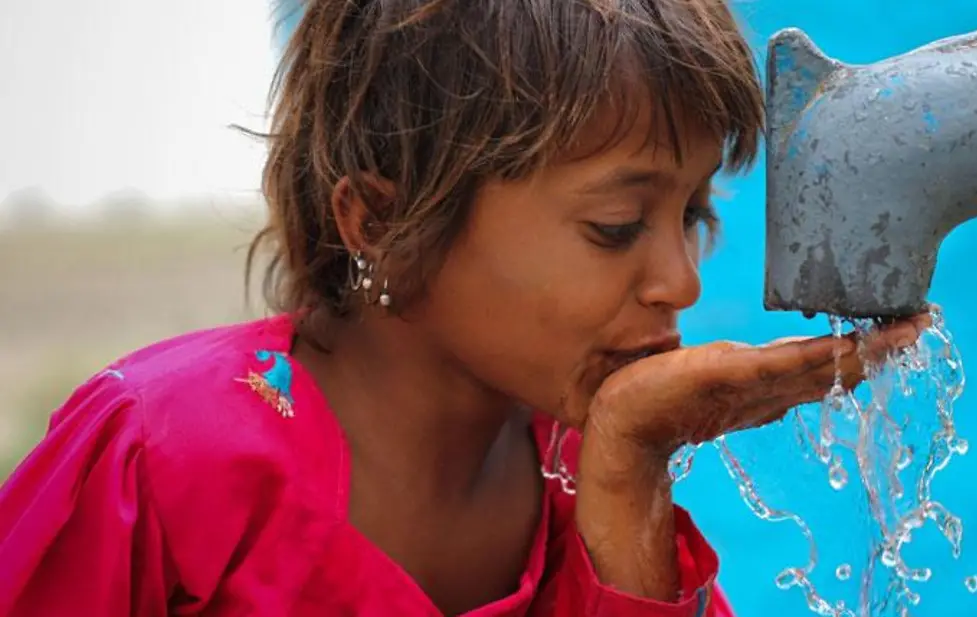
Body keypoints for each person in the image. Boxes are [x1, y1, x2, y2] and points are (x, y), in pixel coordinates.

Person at [0, 0, 928, 615]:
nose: (680, 281)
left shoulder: (580, 477)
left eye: (691, 215)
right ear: (385, 221)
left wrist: (630, 473)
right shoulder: (162, 455)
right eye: (614, 225)